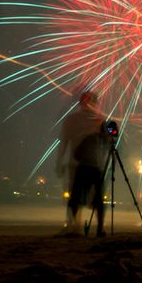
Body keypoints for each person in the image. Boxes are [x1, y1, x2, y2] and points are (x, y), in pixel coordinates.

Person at [60, 92, 110, 236]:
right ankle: (99, 228)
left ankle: (75, 226)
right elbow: (107, 143)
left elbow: (63, 143)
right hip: (95, 164)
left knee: (75, 197)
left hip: (76, 163)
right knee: (97, 198)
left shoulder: (71, 119)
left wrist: (60, 161)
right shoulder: (100, 120)